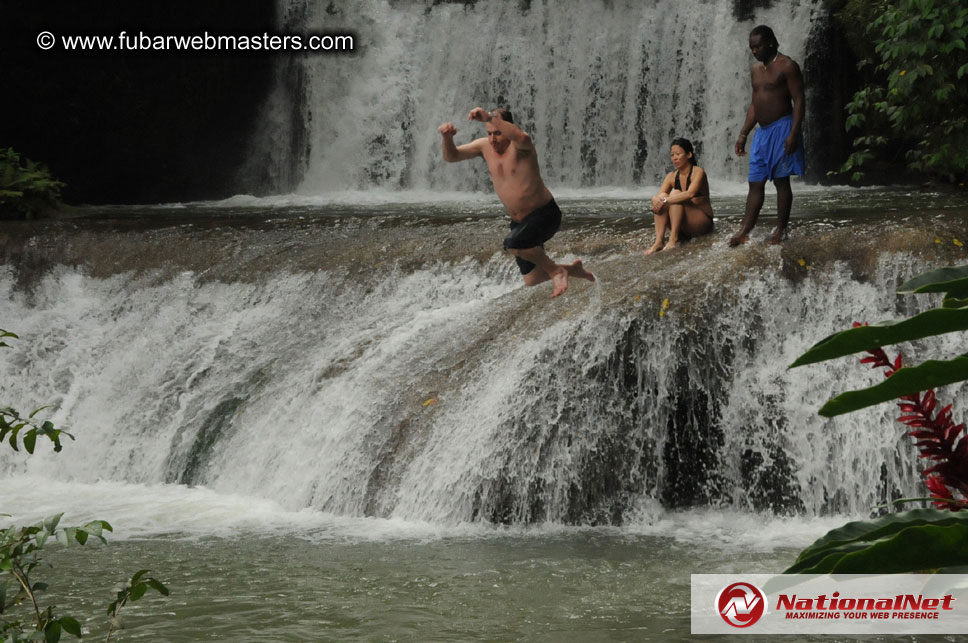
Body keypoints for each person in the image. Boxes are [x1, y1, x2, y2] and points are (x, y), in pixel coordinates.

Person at [438, 107, 594, 297]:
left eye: (497, 133)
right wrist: (447, 138)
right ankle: (573, 270)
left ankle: (556, 271)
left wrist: (488, 117)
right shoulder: (484, 147)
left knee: (514, 244)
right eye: (489, 134)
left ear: (508, 128)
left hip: (545, 215)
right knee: (532, 279)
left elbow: (521, 137)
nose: (493, 139)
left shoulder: (521, 145)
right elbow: (451, 156)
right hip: (521, 222)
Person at [729, 25, 805, 246]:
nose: (754, 51)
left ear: (771, 42)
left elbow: (799, 101)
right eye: (751, 48)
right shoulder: (755, 70)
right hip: (762, 133)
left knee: (781, 182)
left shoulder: (787, 66)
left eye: (758, 46)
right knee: (755, 182)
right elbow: (755, 104)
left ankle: (781, 229)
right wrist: (744, 133)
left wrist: (793, 133)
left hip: (783, 127)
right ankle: (745, 229)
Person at [645, 138, 714, 254]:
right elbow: (659, 196)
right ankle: (659, 241)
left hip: (700, 223)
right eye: (672, 155)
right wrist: (655, 199)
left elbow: (689, 194)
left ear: (689, 155)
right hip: (683, 226)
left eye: (678, 154)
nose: (674, 158)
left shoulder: (698, 172)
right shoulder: (671, 176)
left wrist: (665, 200)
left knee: (674, 194)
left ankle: (674, 239)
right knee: (661, 196)